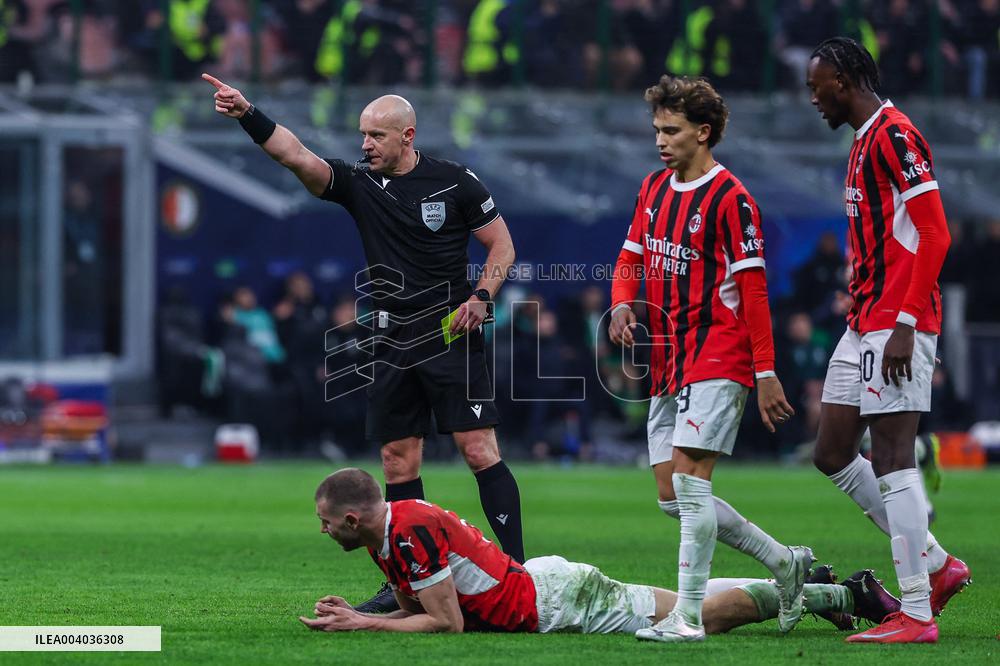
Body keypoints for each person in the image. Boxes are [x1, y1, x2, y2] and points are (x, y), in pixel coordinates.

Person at [202, 73, 523, 612]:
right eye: (362, 135)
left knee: (478, 449)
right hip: (391, 338)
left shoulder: (456, 183)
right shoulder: (359, 184)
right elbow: (297, 156)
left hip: (449, 332)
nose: (365, 144)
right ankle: (406, 580)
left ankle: (518, 570)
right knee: (398, 461)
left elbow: (502, 246)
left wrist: (482, 296)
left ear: (407, 136)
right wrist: (247, 114)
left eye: (376, 135)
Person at [608, 75, 811, 643]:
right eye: (656, 130)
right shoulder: (652, 189)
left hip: (720, 354)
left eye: (671, 131)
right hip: (669, 359)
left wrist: (765, 372)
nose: (660, 141)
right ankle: (785, 563)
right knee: (672, 498)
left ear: (704, 132)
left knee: (693, 485)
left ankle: (688, 617)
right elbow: (629, 256)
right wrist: (622, 303)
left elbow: (754, 292)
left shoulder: (732, 200)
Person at [298, 468, 899, 636]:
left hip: (560, 602)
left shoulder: (408, 531)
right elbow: (421, 609)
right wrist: (366, 615)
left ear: (353, 518)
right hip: (543, 587)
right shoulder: (388, 536)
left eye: (327, 524)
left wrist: (362, 623)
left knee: (704, 618)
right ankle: (816, 585)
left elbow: (446, 623)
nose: (324, 532)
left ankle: (839, 592)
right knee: (676, 603)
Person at [805, 36, 970, 644]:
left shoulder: (896, 133)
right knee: (832, 449)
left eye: (816, 86)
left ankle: (917, 612)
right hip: (865, 318)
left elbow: (935, 233)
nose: (813, 98)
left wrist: (903, 323)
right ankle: (935, 563)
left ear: (843, 81)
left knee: (895, 454)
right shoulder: (862, 140)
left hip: (898, 322)